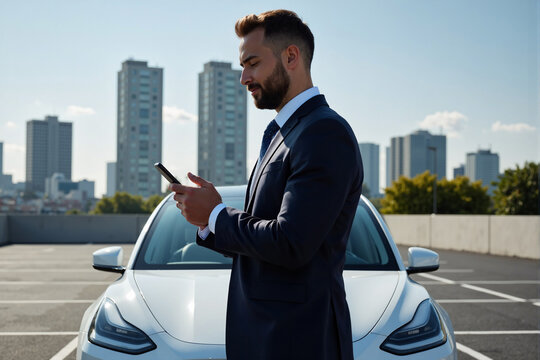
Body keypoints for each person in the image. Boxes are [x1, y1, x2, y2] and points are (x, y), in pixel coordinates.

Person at [171, 9, 363, 360]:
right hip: (268, 338)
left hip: (298, 341)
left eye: (253, 63)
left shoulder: (323, 132)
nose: (244, 77)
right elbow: (263, 240)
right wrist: (207, 221)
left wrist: (217, 214)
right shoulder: (283, 134)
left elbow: (291, 243)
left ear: (291, 56)